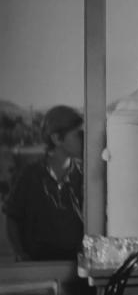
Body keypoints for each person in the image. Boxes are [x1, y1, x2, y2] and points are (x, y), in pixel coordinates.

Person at [3, 105, 84, 261]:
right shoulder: (30, 175)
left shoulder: (82, 175)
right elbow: (12, 217)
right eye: (78, 134)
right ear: (57, 138)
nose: (84, 139)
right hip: (38, 264)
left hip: (74, 264)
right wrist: (20, 253)